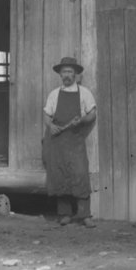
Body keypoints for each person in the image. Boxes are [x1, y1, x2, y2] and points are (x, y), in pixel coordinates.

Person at [43, 56, 97, 227]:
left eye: (70, 72)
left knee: (80, 175)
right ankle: (64, 214)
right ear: (60, 74)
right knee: (60, 176)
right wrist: (50, 126)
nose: (67, 75)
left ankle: (84, 215)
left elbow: (92, 114)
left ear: (75, 74)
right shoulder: (54, 94)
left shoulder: (85, 93)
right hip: (57, 141)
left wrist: (81, 120)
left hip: (75, 142)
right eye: (64, 71)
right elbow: (46, 115)